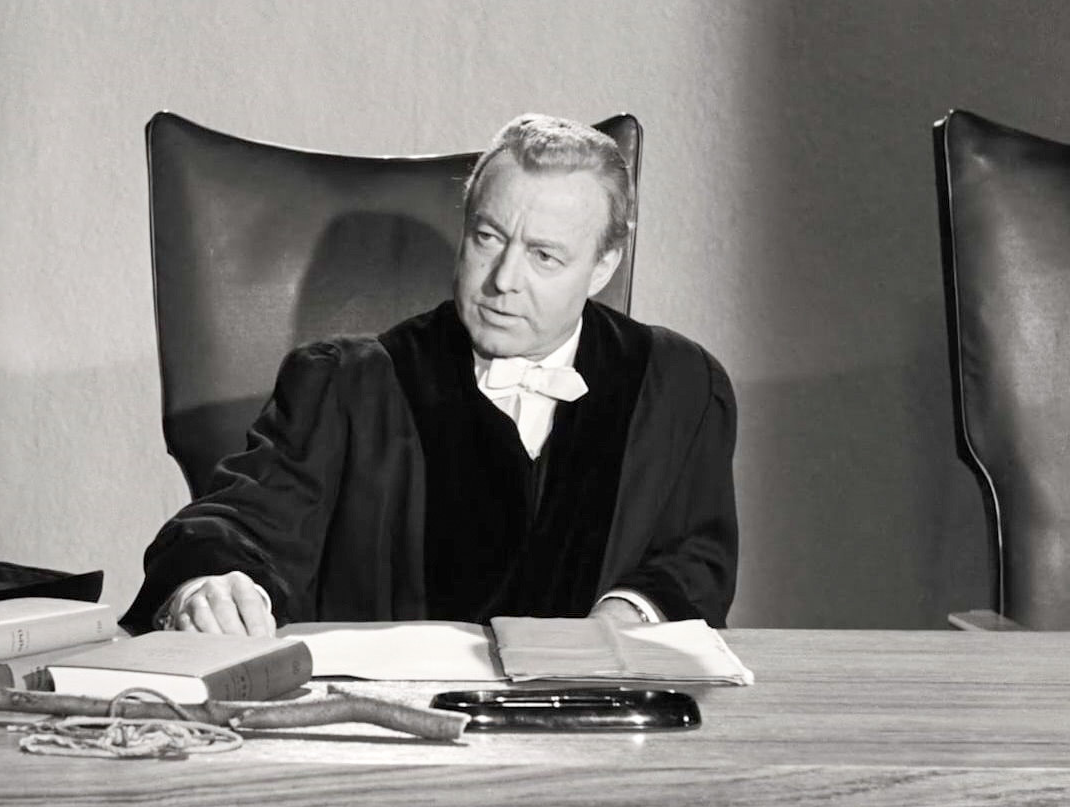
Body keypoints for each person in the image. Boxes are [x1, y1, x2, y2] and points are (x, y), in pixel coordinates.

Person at [120, 113, 737, 637]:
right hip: (391, 726)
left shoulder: (677, 386)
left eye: (544, 256)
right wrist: (209, 585)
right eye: (488, 238)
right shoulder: (346, 386)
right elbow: (238, 522)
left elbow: (695, 558)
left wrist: (629, 615)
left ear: (603, 266)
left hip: (598, 724)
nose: (504, 280)